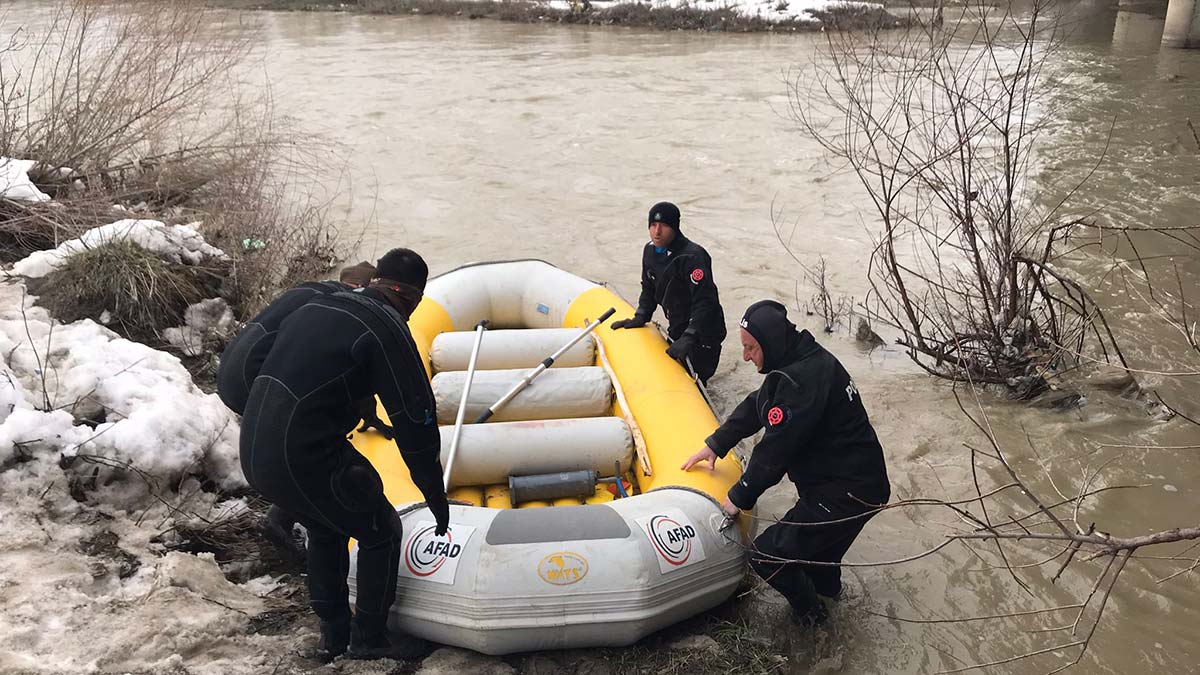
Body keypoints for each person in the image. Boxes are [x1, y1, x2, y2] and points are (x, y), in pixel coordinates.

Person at [239, 248, 449, 661]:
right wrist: (434, 495)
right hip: (303, 454)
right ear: (414, 299)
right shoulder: (387, 327)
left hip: (254, 448)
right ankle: (370, 640)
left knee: (327, 525)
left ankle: (333, 636)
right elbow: (415, 422)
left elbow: (262, 363)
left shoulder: (319, 305)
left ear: (374, 280)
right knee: (380, 528)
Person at [681, 300, 890, 626]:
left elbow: (775, 451)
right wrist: (716, 445)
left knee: (768, 556)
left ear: (771, 342)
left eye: (751, 348)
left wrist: (739, 496)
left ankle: (814, 623)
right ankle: (835, 613)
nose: (746, 356)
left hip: (846, 493)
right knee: (820, 561)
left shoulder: (801, 381)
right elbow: (759, 405)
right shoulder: (799, 359)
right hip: (861, 485)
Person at [217, 262, 391, 563]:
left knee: (294, 434)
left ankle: (287, 509)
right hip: (254, 378)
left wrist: (367, 410)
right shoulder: (337, 307)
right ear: (364, 288)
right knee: (311, 434)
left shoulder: (310, 288)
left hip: (232, 371)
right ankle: (288, 518)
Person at [610, 201, 726, 384]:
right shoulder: (649, 251)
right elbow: (648, 287)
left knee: (696, 383)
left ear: (675, 228)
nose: (657, 231)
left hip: (704, 333)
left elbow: (705, 301)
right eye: (653, 225)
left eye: (663, 226)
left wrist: (690, 335)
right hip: (678, 327)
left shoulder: (693, 257)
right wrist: (641, 315)